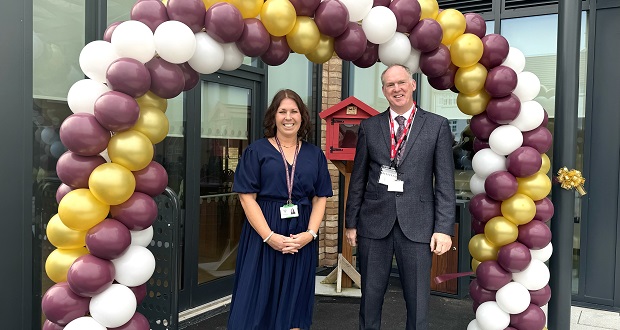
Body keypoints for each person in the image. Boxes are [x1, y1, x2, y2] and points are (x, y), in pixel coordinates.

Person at [345, 64, 456, 330]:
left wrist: (443, 228)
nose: (397, 89)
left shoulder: (436, 126)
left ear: (413, 84)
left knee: (417, 302)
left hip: (418, 225)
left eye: (401, 82)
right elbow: (358, 178)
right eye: (390, 85)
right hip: (374, 224)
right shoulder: (370, 127)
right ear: (383, 91)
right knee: (370, 298)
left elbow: (444, 182)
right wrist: (351, 223)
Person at [227, 89, 333, 330]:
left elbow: (320, 198)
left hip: (301, 238)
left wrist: (310, 234)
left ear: (302, 117)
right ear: (273, 116)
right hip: (263, 234)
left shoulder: (315, 155)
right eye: (282, 111)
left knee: (294, 302)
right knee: (256, 298)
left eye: (294, 111)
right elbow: (247, 198)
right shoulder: (257, 151)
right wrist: (269, 236)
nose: (288, 117)